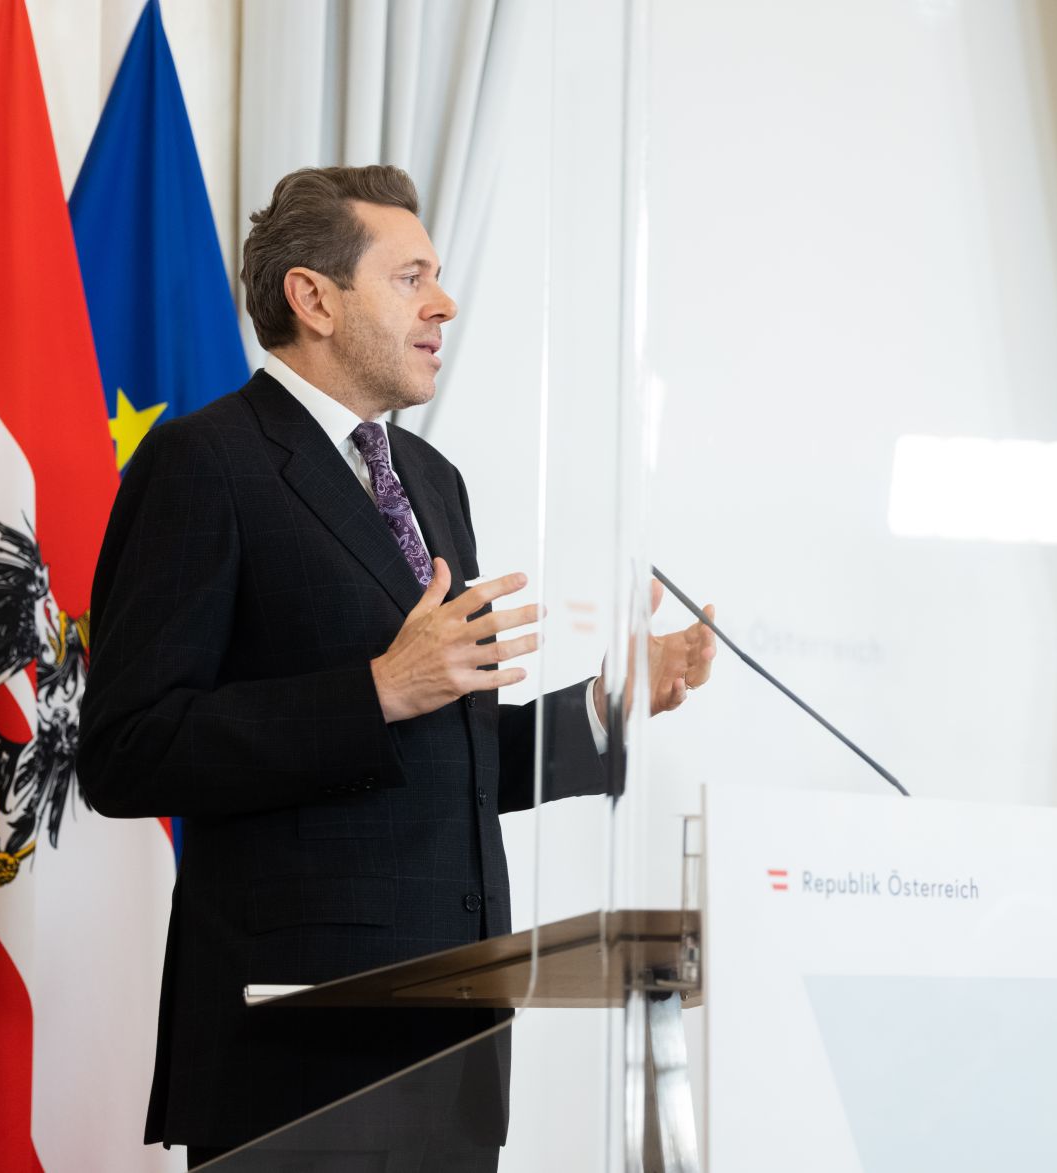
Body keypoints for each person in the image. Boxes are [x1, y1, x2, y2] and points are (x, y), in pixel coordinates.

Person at [76, 165, 716, 1167]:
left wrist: (602, 707)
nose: (444, 303)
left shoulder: (430, 479)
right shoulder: (206, 462)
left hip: (453, 1040)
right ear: (314, 298)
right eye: (411, 276)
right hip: (299, 1050)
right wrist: (375, 689)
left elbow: (444, 757)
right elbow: (126, 749)